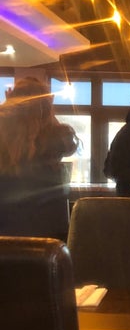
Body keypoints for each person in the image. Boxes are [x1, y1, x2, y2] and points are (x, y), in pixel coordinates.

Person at [0, 76, 80, 239]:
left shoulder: (6, 139)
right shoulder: (52, 139)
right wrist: (47, 110)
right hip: (48, 234)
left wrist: (7, 106)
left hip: (6, 232)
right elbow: (69, 145)